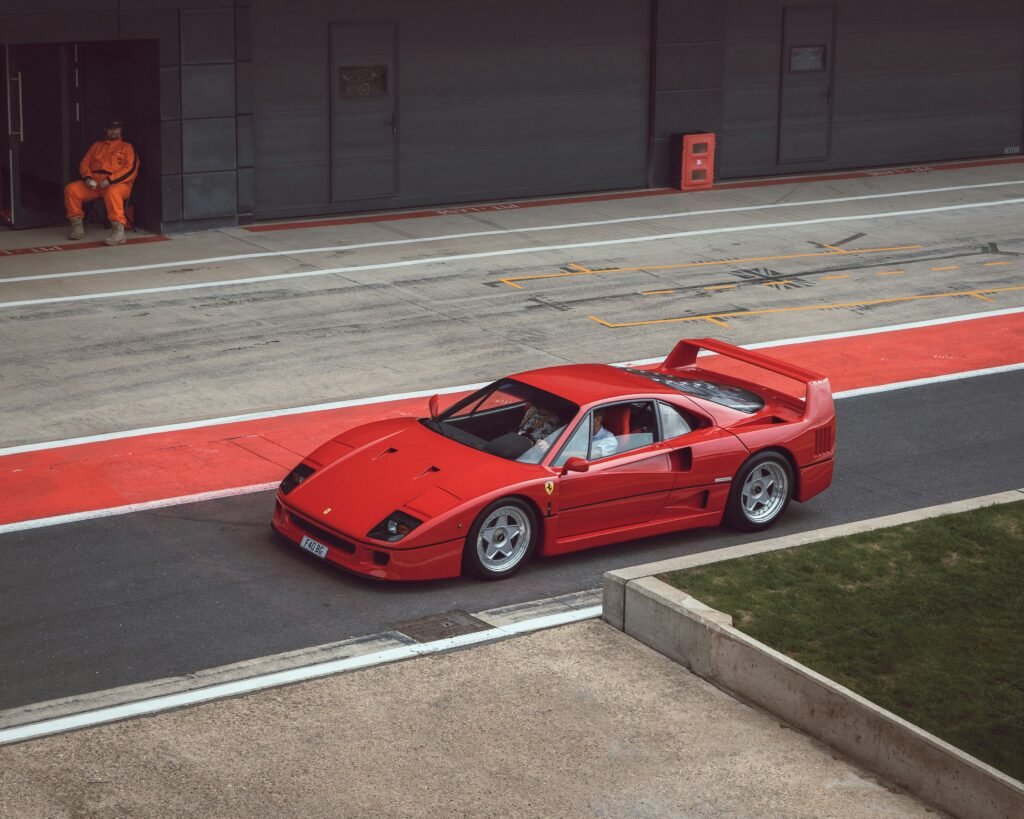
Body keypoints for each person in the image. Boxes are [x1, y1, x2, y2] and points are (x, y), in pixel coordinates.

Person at [64, 117, 139, 246]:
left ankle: (118, 232)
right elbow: (84, 163)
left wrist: (110, 180)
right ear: (106, 130)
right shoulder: (97, 145)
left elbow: (130, 170)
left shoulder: (127, 147)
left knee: (112, 192)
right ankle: (77, 225)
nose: (113, 132)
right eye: (110, 129)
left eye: (116, 129)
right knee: (71, 189)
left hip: (119, 184)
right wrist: (88, 178)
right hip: (95, 183)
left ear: (121, 130)